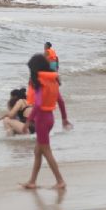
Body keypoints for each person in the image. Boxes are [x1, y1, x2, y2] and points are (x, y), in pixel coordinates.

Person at [21, 54, 71, 190]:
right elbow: (60, 101)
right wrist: (64, 119)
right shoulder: (52, 81)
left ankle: (60, 181)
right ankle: (32, 181)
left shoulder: (39, 82)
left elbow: (37, 105)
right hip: (50, 118)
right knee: (38, 152)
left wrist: (27, 122)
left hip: (42, 120)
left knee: (46, 151)